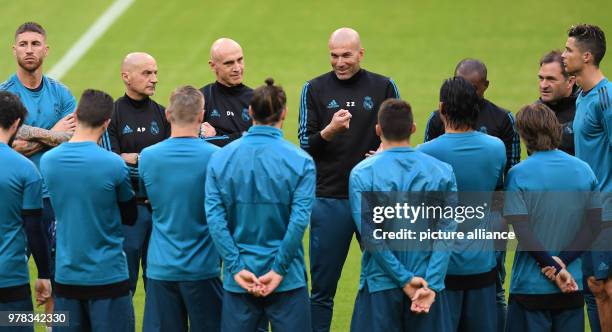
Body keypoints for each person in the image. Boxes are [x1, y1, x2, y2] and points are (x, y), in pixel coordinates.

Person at [297, 27, 400, 331]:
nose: (340, 62)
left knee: (386, 281)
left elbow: (398, 132)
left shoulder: (383, 86)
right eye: (334, 56)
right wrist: (330, 131)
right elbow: (305, 142)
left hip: (375, 199)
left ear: (360, 54)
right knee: (322, 290)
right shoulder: (314, 89)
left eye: (346, 55)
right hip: (330, 199)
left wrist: (383, 151)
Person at [206, 78, 315, 331]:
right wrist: (278, 269)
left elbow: (215, 219)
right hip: (287, 280)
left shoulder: (220, 158)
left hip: (240, 280)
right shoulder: (301, 161)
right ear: (285, 113)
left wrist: (235, 266)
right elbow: (299, 222)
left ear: (250, 112)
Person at [423, 59, 520, 331]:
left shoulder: (425, 153)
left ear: (442, 109)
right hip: (483, 259)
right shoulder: (496, 148)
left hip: (441, 265)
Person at [348, 98, 456, 332]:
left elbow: (370, 236)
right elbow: (446, 233)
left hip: (380, 286)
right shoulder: (442, 172)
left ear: (378, 130)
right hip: (426, 286)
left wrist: (403, 279)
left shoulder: (362, 173)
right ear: (413, 128)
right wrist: (432, 285)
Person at [40, 89, 138, 332]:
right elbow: (130, 216)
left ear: (76, 115)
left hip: (66, 277)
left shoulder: (48, 161)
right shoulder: (114, 164)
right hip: (108, 277)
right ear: (106, 123)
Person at [0, 23, 77, 313]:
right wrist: (52, 134)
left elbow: (71, 139)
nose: (29, 50)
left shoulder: (61, 93)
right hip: (14, 199)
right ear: (14, 49)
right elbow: (9, 146)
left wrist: (31, 135)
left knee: (54, 280)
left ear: (46, 49)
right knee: (12, 279)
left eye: (35, 44)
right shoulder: (5, 96)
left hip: (52, 197)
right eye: (23, 44)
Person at [504, 103, 601, 332]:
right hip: (571, 286)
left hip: (530, 288)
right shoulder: (584, 170)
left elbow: (522, 230)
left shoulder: (518, 174)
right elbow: (594, 225)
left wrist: (552, 266)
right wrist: (563, 262)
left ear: (525, 135)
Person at [140, 86, 222, 331]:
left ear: (167, 114)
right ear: (201, 116)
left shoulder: (148, 156)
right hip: (204, 267)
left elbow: (149, 199)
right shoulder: (217, 157)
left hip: (161, 267)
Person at [102, 52, 170, 295]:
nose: (154, 79)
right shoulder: (111, 115)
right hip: (127, 213)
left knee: (159, 285)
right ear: (126, 77)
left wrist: (135, 158)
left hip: (160, 211)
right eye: (147, 73)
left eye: (155, 73)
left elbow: (169, 164)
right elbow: (113, 166)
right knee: (125, 284)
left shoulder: (164, 114)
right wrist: (149, 161)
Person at [562, 23, 612, 332]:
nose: (564, 55)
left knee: (604, 288)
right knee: (594, 287)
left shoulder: (607, 99)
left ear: (588, 56)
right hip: (589, 210)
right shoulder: (583, 95)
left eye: (569, 50)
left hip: (605, 210)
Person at [0, 91, 51, 332]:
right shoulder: (26, 170)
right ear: (17, 124)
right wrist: (44, 274)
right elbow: (34, 228)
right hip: (10, 280)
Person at [199, 38, 253, 146]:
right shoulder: (201, 99)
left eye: (240, 60)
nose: (237, 68)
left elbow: (261, 140)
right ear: (213, 66)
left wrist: (217, 136)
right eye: (229, 63)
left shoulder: (257, 99)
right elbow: (193, 145)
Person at [536, 50, 577, 155]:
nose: (543, 85)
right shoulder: (535, 113)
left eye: (551, 79)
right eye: (541, 78)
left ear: (570, 82)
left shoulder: (584, 111)